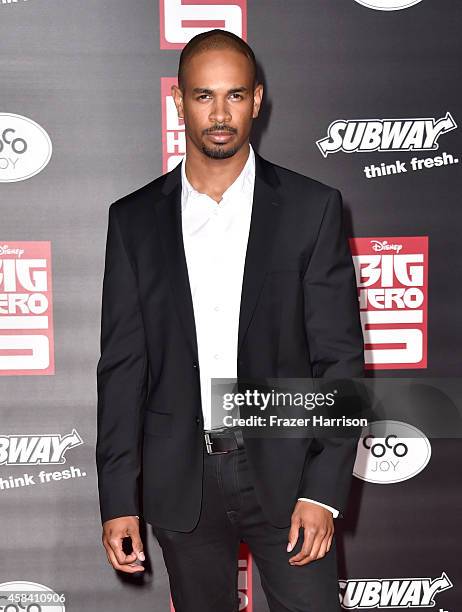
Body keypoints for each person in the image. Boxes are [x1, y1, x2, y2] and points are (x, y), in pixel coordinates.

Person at [96, 29, 364, 612]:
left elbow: (339, 360)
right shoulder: (133, 221)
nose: (220, 114)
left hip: (289, 473)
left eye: (235, 96)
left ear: (258, 100)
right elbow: (121, 369)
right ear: (178, 101)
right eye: (204, 96)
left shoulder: (310, 208)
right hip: (181, 479)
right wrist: (119, 497)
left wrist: (324, 491)